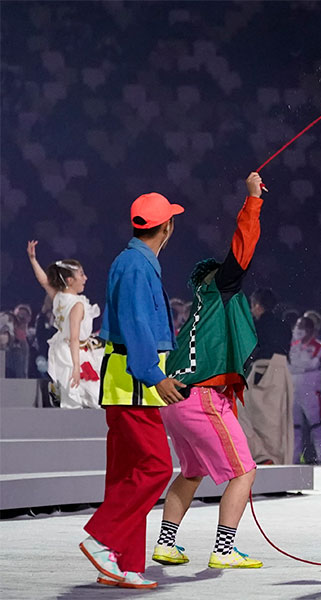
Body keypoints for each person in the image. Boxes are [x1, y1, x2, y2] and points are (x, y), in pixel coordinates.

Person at [150, 172, 267, 571]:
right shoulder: (220, 290)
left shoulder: (199, 312)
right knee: (244, 472)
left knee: (193, 471)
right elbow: (242, 250)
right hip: (201, 397)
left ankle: (166, 544)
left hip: (175, 399)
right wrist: (252, 199)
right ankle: (225, 548)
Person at [80, 191, 185, 590]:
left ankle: (122, 564)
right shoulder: (140, 267)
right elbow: (140, 325)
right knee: (156, 466)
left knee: (126, 475)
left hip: (124, 380)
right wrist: (154, 377)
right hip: (134, 383)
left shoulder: (131, 261)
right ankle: (103, 537)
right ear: (168, 227)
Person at [27, 241, 103, 409]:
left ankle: (58, 392)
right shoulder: (76, 304)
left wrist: (33, 259)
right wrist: (77, 367)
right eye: (81, 275)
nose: (85, 278)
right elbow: (74, 338)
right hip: (74, 352)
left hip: (61, 349)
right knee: (85, 396)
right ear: (70, 280)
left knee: (81, 396)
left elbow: (44, 281)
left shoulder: (59, 296)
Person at [240, 288, 294, 465]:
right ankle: (277, 459)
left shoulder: (257, 326)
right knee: (278, 419)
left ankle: (263, 456)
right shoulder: (284, 325)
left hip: (263, 370)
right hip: (283, 370)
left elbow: (253, 350)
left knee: (253, 416)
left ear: (256, 305)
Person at [289, 312, 321, 463]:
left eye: (302, 327)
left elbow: (313, 364)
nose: (298, 329)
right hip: (294, 391)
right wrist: (299, 367)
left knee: (316, 426)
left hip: (311, 392)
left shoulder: (319, 346)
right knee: (295, 427)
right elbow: (289, 366)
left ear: (310, 330)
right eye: (297, 326)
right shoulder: (292, 346)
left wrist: (297, 367)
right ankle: (294, 459)